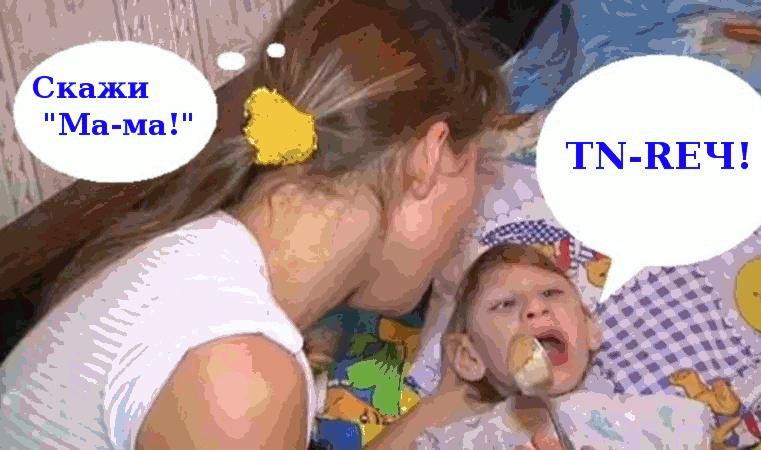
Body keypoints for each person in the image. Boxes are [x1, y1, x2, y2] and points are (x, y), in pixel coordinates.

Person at [0, 0, 513, 448]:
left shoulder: (207, 258)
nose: (468, 218)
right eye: (478, 169)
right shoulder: (240, 380)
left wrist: (444, 405)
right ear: (430, 157)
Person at [369, 244, 712, 449]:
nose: (535, 308)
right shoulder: (462, 439)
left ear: (591, 330)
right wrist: (445, 401)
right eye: (505, 304)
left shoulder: (653, 419)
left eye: (551, 293)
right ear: (470, 357)